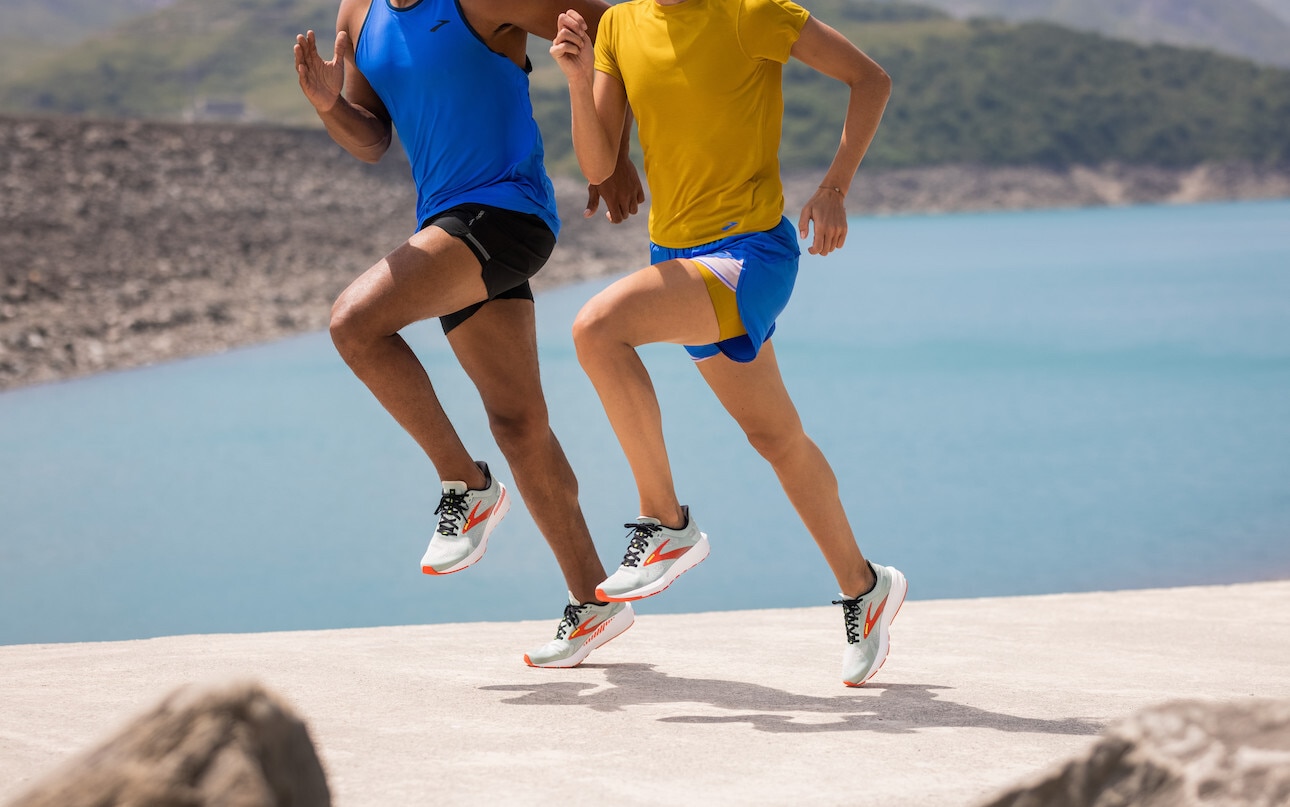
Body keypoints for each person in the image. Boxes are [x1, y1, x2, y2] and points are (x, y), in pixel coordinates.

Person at [550, 0, 907, 685]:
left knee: (597, 328)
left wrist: (834, 187)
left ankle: (664, 521)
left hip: (750, 254)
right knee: (776, 437)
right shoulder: (620, 26)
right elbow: (599, 163)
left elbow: (872, 79)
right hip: (675, 258)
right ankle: (865, 587)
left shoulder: (751, 12)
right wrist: (574, 75)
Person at [293, 0, 644, 669]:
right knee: (519, 425)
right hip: (448, 225)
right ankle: (593, 598)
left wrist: (613, 153)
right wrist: (328, 103)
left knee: (354, 324)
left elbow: (619, 31)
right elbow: (371, 139)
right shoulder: (359, 12)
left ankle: (465, 483)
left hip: (507, 211)